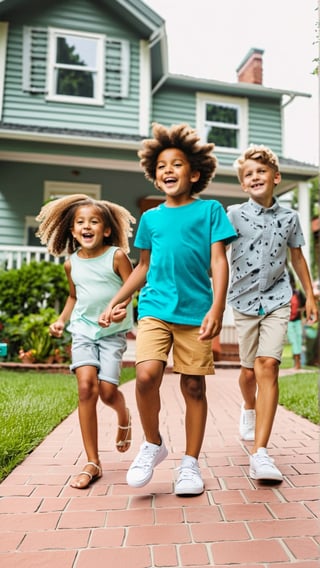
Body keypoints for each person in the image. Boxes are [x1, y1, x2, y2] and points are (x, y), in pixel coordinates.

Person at [99, 123, 237, 496]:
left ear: (194, 173)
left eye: (177, 164)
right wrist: (118, 299)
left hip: (196, 312)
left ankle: (190, 464)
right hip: (156, 308)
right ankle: (153, 443)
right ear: (154, 176)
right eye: (162, 166)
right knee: (145, 375)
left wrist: (218, 308)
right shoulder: (151, 218)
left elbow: (219, 262)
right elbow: (143, 266)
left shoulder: (210, 211)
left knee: (193, 385)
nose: (169, 170)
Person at [227, 145, 318, 482]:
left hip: (278, 298)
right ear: (242, 184)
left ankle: (261, 453)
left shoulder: (289, 218)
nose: (255, 177)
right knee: (248, 371)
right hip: (243, 300)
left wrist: (309, 296)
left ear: (275, 177)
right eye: (248, 174)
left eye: (260, 172)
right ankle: (248, 406)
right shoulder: (233, 214)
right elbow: (217, 255)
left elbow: (296, 258)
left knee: (269, 366)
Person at [36, 194, 135, 489]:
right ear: (72, 230)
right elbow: (74, 297)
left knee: (107, 392)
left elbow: (131, 289)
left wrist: (118, 312)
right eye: (81, 222)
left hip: (112, 334)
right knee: (85, 387)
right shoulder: (71, 264)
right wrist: (61, 321)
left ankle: (123, 413)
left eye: (94, 221)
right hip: (82, 331)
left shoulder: (116, 256)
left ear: (106, 230)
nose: (87, 226)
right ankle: (93, 461)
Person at [287, 271, 306, 370]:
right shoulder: (284, 293)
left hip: (298, 320)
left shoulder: (298, 293)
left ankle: (298, 363)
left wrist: (299, 310)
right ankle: (297, 363)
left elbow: (305, 306)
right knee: (294, 341)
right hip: (289, 321)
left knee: (298, 341)